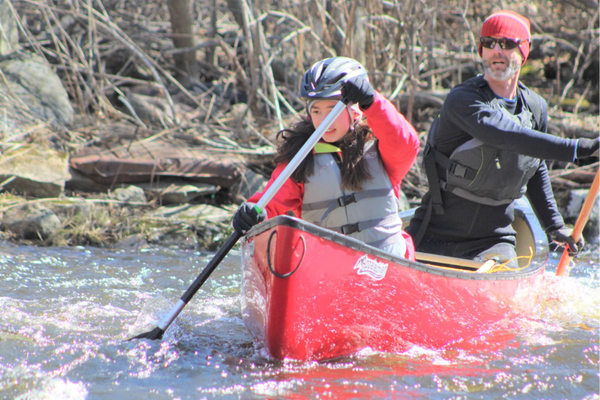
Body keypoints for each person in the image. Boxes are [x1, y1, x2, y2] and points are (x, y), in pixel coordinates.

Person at [406, 10, 600, 266]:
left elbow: (536, 165)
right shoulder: (463, 100)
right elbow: (506, 135)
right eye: (489, 43)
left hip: (494, 241)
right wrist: (580, 148)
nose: (497, 51)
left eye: (507, 44)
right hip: (433, 236)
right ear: (481, 51)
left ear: (523, 52)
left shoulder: (535, 107)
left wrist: (553, 225)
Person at [232, 57, 420, 260]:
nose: (324, 120)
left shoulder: (381, 148)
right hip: (328, 268)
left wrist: (373, 102)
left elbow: (406, 144)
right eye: (316, 111)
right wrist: (254, 213)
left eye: (332, 109)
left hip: (387, 264)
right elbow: (272, 201)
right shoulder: (300, 158)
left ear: (354, 111)